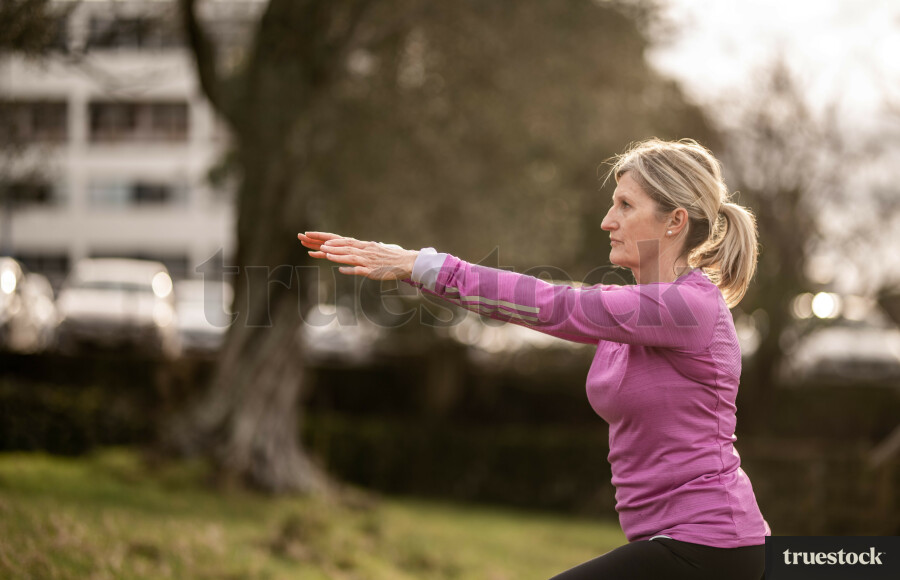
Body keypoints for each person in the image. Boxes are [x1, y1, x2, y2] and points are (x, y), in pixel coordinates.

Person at [298, 138, 770, 580]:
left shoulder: (689, 308)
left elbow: (553, 304)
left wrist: (424, 265)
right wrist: (418, 271)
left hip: (710, 546)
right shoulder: (637, 313)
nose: (608, 220)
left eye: (626, 205)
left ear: (675, 221)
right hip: (668, 543)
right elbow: (554, 306)